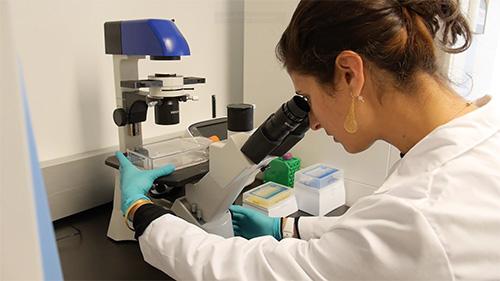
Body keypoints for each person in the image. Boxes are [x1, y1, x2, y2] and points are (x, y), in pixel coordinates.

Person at [116, 0, 500, 279]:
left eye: (307, 99)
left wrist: (141, 212)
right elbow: (369, 241)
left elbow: (248, 273)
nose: (311, 123)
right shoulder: (481, 140)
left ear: (349, 73)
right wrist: (290, 229)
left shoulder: (420, 213)